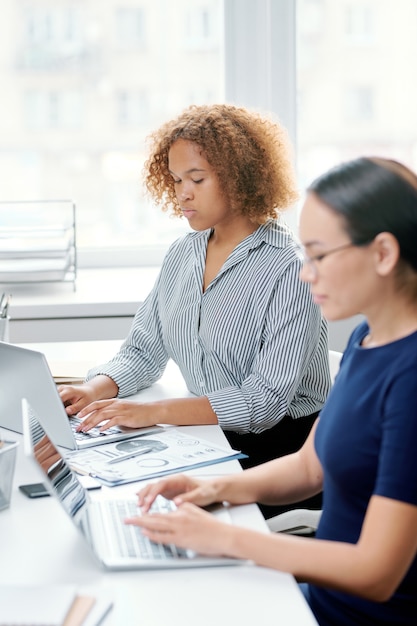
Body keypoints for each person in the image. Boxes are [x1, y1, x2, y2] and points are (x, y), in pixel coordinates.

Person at [127, 157, 417, 626]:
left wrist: (225, 538)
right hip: (318, 598)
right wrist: (211, 487)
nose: (306, 272)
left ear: (383, 253)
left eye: (320, 255)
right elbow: (310, 466)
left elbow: (376, 572)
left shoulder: (410, 379)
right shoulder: (369, 338)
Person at [59, 103, 330, 514]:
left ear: (241, 178)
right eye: (176, 179)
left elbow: (265, 401)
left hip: (280, 457)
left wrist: (151, 412)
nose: (182, 193)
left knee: (153, 514)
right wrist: (91, 391)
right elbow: (143, 351)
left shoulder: (288, 269)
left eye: (197, 179)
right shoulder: (183, 255)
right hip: (207, 437)